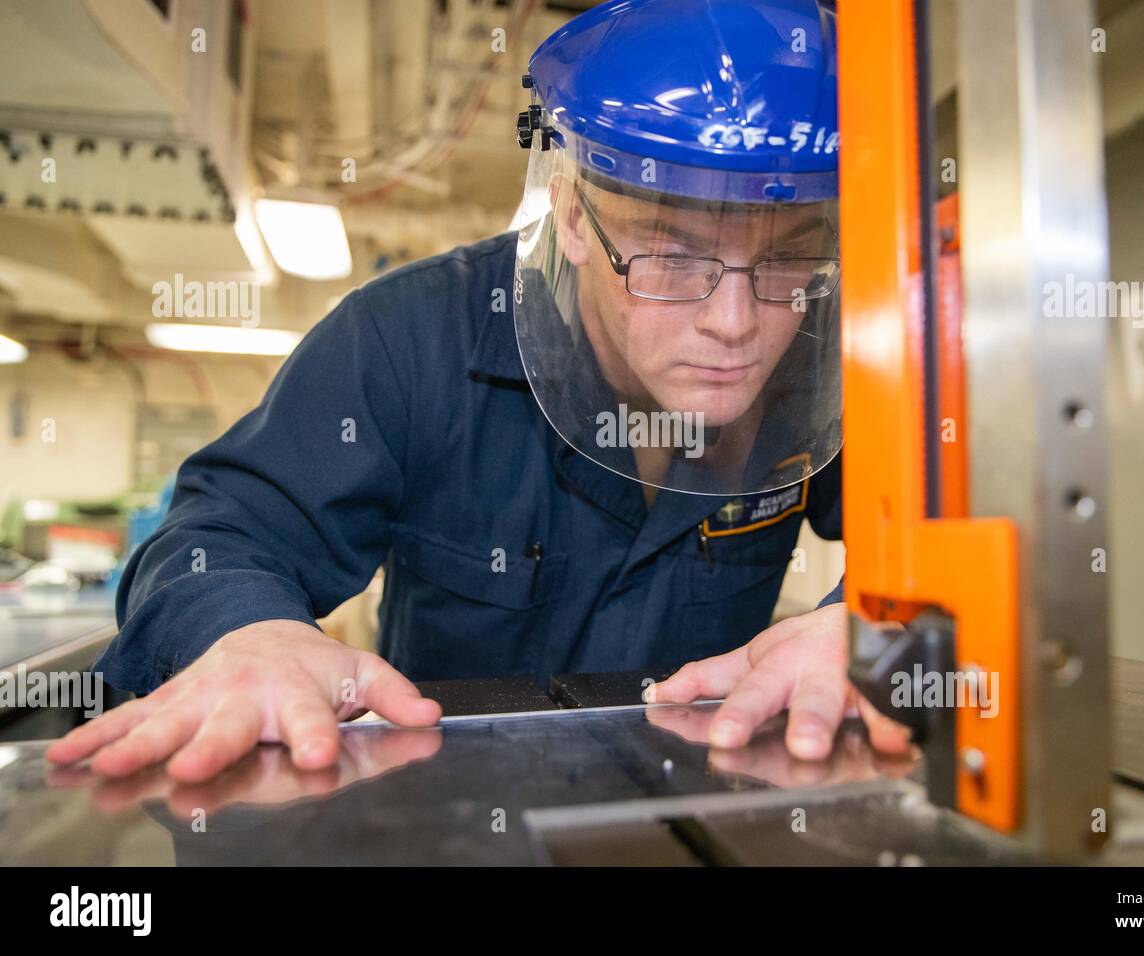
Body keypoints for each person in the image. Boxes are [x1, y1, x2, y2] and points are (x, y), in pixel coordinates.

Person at [47, 0, 909, 785]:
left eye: (789, 256)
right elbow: (221, 535)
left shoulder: (827, 350)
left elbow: (929, 522)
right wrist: (243, 633)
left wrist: (870, 629)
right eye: (671, 257)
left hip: (697, 811)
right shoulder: (409, 340)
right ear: (573, 216)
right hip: (447, 827)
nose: (734, 320)